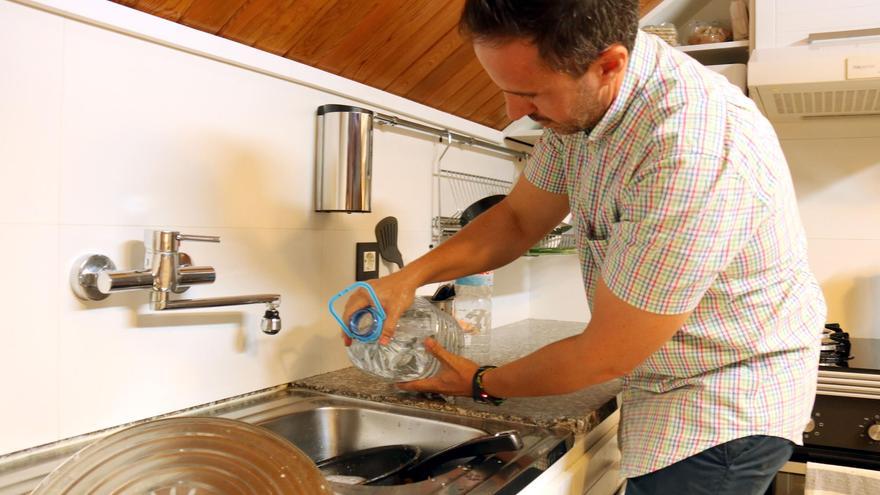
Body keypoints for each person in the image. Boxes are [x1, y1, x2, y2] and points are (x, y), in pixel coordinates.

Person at [342, 1, 827, 493]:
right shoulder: (584, 101)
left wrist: (479, 381)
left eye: (529, 93)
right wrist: (404, 278)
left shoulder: (691, 152)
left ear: (609, 65)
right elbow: (516, 219)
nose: (514, 113)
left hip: (721, 403)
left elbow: (605, 354)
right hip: (667, 379)